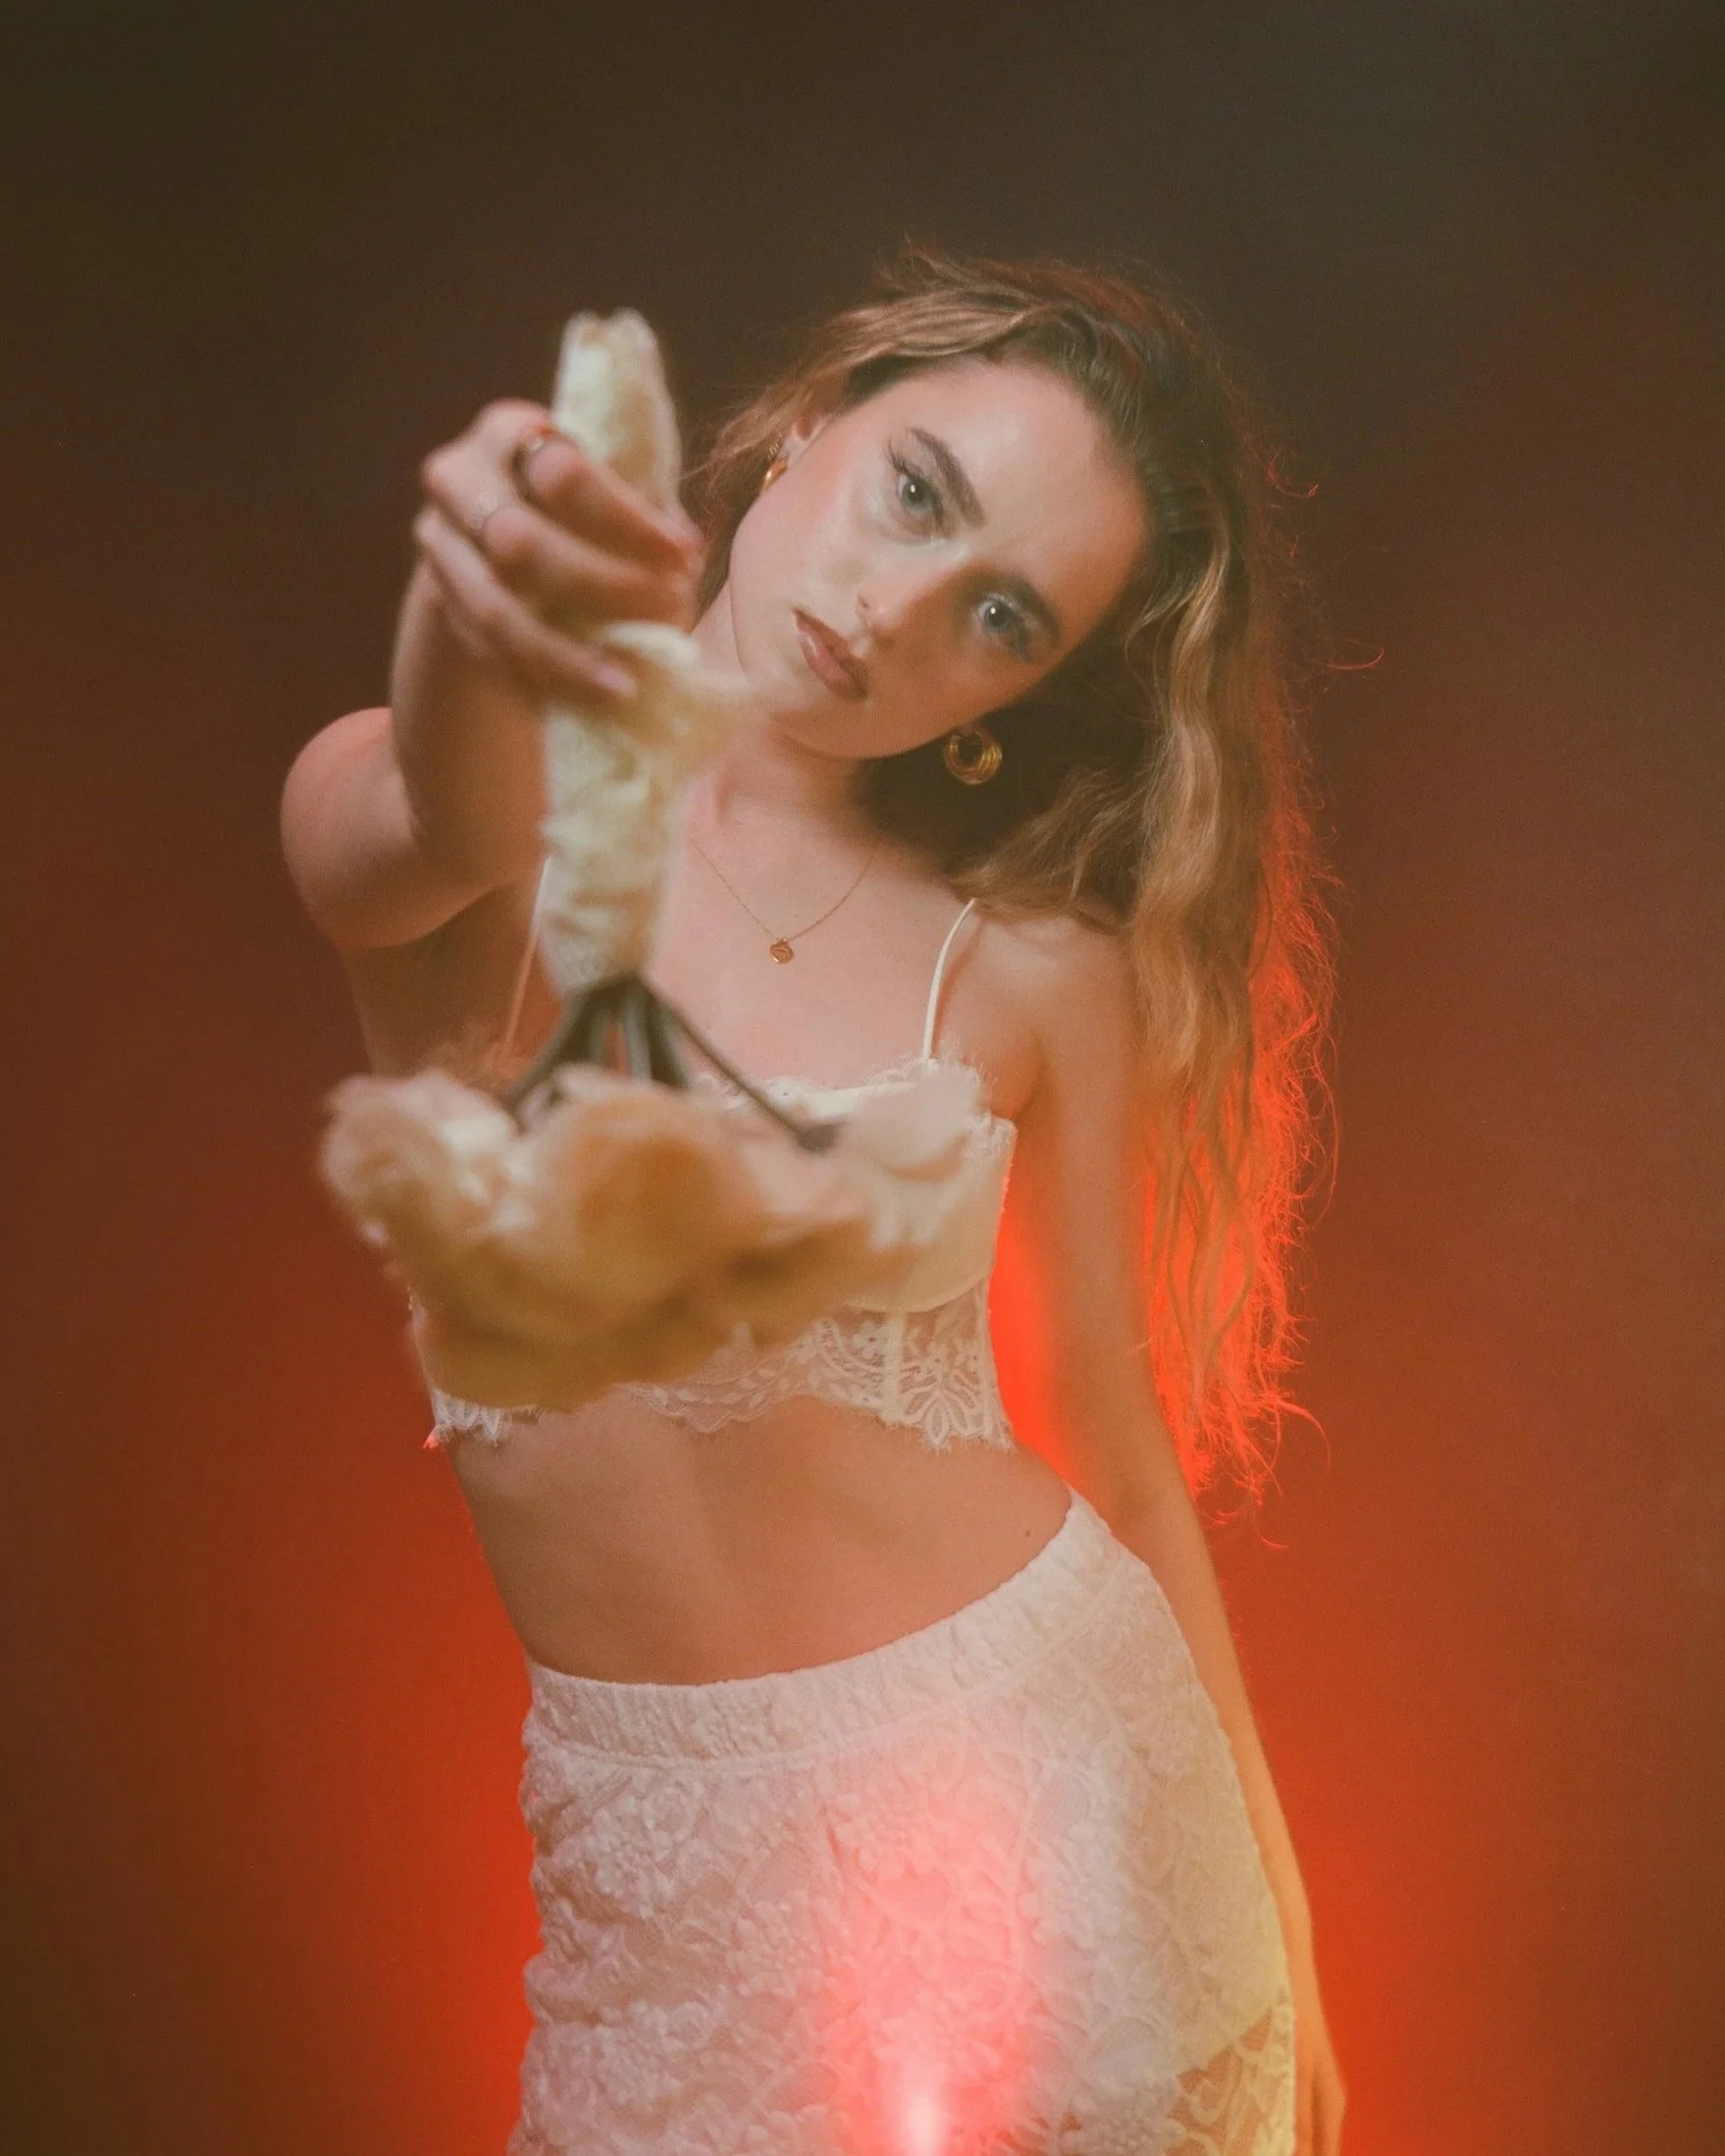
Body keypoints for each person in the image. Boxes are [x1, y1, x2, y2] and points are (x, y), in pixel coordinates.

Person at [282, 246, 1345, 2155]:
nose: (901, 605)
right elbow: (429, 831)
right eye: (916, 490)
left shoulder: (1021, 969)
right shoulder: (492, 823)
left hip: (1054, 1812)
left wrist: (1281, 1897)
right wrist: (482, 586)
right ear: (800, 433)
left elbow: (1116, 1437)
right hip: (645, 1877)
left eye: (1000, 612)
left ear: (1009, 699)